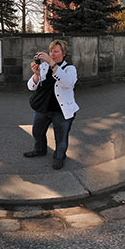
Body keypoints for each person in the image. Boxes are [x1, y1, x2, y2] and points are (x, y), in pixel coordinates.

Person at [25, 39, 79, 170]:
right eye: (51, 51)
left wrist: (51, 63)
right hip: (43, 107)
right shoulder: (43, 67)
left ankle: (59, 157)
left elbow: (68, 83)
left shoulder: (70, 68)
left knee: (60, 138)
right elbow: (31, 87)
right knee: (37, 132)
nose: (53, 54)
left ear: (64, 53)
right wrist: (36, 75)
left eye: (56, 51)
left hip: (61, 110)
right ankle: (40, 150)